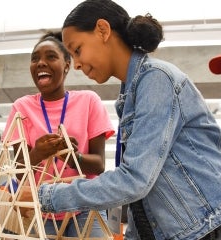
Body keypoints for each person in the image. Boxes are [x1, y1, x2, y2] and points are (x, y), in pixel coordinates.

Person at [35, 0, 221, 239]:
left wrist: (49, 196)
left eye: (77, 50)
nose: (78, 64)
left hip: (201, 228)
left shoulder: (156, 80)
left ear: (103, 30)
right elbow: (144, 193)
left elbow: (135, 179)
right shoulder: (130, 95)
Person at [2, 31, 115, 237]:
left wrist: (71, 156)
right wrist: (38, 153)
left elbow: (99, 165)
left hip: (85, 204)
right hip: (40, 209)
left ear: (67, 64)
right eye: (35, 59)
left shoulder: (89, 101)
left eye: (51, 57)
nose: (41, 63)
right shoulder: (22, 107)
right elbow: (19, 172)